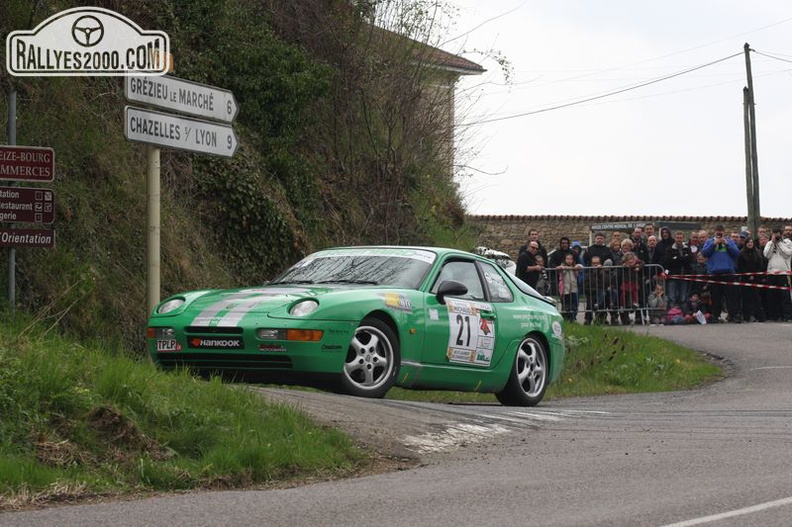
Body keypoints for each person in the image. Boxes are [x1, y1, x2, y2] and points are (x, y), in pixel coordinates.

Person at [701, 224, 742, 323]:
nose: (719, 233)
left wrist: (727, 244)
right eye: (718, 231)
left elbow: (737, 254)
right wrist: (714, 244)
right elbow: (704, 253)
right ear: (715, 232)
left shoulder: (730, 241)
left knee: (730, 297)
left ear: (724, 232)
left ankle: (732, 315)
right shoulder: (709, 242)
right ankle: (715, 315)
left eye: (721, 231)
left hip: (728, 273)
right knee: (715, 296)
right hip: (714, 273)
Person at [763, 227, 792, 322]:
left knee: (785, 296)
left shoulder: (787, 242)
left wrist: (779, 243)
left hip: (784, 273)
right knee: (771, 295)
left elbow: (787, 254)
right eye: (774, 233)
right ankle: (773, 316)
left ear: (781, 233)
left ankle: (787, 316)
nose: (776, 235)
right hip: (771, 273)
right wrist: (772, 243)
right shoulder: (769, 243)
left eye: (777, 233)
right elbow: (766, 255)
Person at [737, 237, 764, 322]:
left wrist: (755, 275)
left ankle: (758, 316)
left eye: (751, 242)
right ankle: (747, 316)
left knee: (756, 298)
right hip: (745, 279)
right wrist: (748, 275)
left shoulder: (757, 253)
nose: (750, 244)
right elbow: (740, 266)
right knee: (746, 299)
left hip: (755, 279)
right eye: (748, 242)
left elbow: (760, 266)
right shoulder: (741, 253)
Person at [664, 230, 693, 308]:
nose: (679, 239)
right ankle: (672, 316)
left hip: (684, 276)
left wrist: (677, 258)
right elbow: (669, 262)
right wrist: (682, 258)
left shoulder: (687, 248)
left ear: (683, 238)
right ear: (675, 238)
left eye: (681, 238)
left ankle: (683, 316)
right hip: (673, 277)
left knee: (683, 298)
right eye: (677, 238)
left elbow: (690, 259)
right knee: (672, 297)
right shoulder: (669, 249)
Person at [619, 251, 644, 325]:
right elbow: (619, 263)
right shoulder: (624, 264)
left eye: (631, 259)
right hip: (626, 281)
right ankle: (622, 305)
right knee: (623, 294)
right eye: (628, 259)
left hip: (634, 281)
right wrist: (623, 265)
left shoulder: (636, 263)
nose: (630, 261)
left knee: (635, 292)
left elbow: (643, 263)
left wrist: (638, 268)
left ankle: (635, 303)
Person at [582, 255, 609, 324]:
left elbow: (605, 282)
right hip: (591, 291)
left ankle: (601, 318)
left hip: (600, 290)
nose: (596, 265)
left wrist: (599, 271)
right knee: (589, 304)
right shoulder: (588, 272)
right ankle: (588, 319)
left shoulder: (603, 272)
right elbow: (586, 283)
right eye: (594, 263)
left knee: (602, 300)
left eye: (597, 263)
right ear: (591, 264)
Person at [558, 252, 583, 322]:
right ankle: (566, 318)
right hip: (565, 290)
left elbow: (581, 267)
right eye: (567, 259)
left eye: (571, 259)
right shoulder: (562, 266)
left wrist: (577, 267)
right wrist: (566, 267)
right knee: (566, 305)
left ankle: (573, 318)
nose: (569, 260)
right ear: (565, 260)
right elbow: (560, 268)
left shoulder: (574, 267)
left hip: (573, 289)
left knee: (574, 304)